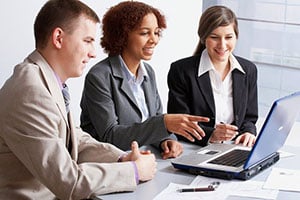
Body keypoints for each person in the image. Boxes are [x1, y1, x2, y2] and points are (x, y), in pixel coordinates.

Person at [0, 0, 157, 199]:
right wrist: (133, 171)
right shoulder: (30, 92)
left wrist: (122, 158)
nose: (93, 53)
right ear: (58, 38)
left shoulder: (45, 81)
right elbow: (69, 182)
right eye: (87, 40)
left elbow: (76, 140)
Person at [80, 1, 209, 160]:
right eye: (144, 33)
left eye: (156, 32)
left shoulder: (148, 72)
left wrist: (166, 141)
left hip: (147, 161)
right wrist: (164, 124)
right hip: (113, 166)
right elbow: (110, 137)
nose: (154, 40)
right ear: (122, 35)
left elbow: (152, 120)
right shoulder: (99, 76)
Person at [167, 5, 258, 147]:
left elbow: (249, 118)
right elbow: (179, 125)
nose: (222, 45)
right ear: (203, 38)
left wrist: (249, 132)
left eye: (228, 37)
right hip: (196, 148)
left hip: (235, 147)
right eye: (214, 37)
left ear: (236, 37)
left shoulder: (248, 70)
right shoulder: (181, 71)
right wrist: (211, 135)